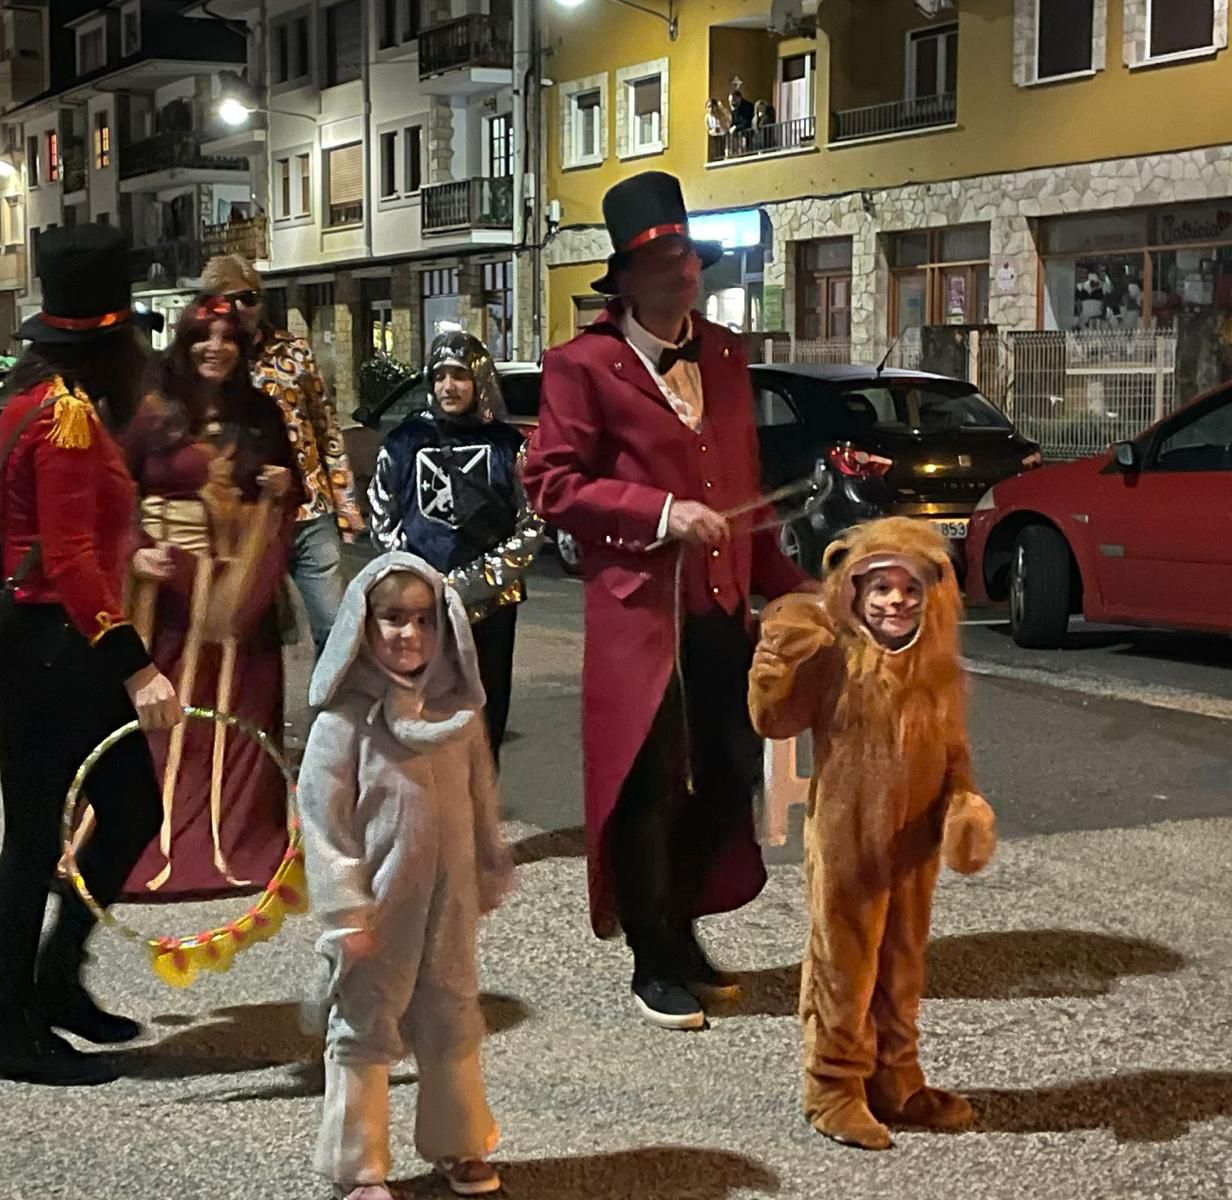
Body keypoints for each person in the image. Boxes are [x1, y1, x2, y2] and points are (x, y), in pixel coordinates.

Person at [522, 170, 810, 1032]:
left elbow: (742, 491)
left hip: (721, 610)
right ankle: (654, 957)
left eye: (689, 256)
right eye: (665, 260)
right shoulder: (582, 367)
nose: (684, 273)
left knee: (729, 770)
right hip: (639, 614)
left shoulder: (723, 355)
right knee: (646, 785)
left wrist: (797, 592)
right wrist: (656, 511)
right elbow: (550, 484)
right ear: (628, 280)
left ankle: (680, 925)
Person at [0, 224, 183, 1087]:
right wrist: (139, 665)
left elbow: (66, 538)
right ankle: (14, 1028)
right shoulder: (62, 415)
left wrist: (129, 554)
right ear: (114, 340)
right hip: (49, 651)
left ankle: (59, 978)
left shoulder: (53, 404)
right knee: (30, 841)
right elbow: (62, 560)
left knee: (130, 809)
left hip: (60, 644)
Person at [748, 518, 997, 1149]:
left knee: (904, 961)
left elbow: (953, 751)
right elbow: (774, 721)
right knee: (844, 964)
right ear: (853, 592)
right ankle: (833, 1086)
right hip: (847, 840)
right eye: (879, 589)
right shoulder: (835, 655)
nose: (894, 602)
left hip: (915, 846)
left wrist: (965, 805)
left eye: (909, 590)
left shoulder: (938, 669)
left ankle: (897, 1080)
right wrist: (774, 661)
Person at [299, 552, 513, 1200]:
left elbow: (480, 796)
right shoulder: (344, 722)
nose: (408, 635)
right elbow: (320, 818)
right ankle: (356, 1163)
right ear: (364, 624)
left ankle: (459, 1140)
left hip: (449, 901)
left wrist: (488, 861)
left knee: (452, 1010)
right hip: (378, 906)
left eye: (423, 620)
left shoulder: (458, 716)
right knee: (366, 1020)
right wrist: (342, 910)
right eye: (392, 619)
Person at [119, 295, 299, 904]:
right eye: (204, 336)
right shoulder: (152, 415)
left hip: (237, 600)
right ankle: (141, 838)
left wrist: (281, 488)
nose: (215, 347)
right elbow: (116, 495)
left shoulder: (261, 414)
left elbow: (286, 489)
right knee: (165, 724)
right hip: (164, 600)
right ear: (185, 342)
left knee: (238, 720)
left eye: (227, 337)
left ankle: (237, 836)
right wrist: (135, 553)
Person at [367, 330, 543, 763]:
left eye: (460, 376)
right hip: (420, 606)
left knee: (485, 711)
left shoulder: (509, 447)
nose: (449, 386)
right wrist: (415, 578)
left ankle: (478, 811)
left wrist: (476, 582)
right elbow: (382, 513)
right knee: (420, 710)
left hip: (491, 604)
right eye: (440, 376)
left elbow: (531, 521)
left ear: (479, 380)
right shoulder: (404, 442)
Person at [200, 254, 364, 655]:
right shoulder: (207, 360)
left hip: (309, 508)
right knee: (253, 634)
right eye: (229, 300)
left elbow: (326, 428)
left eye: (250, 297)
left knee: (335, 624)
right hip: (245, 519)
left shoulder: (292, 352)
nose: (241, 309)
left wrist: (346, 503)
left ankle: (336, 713)